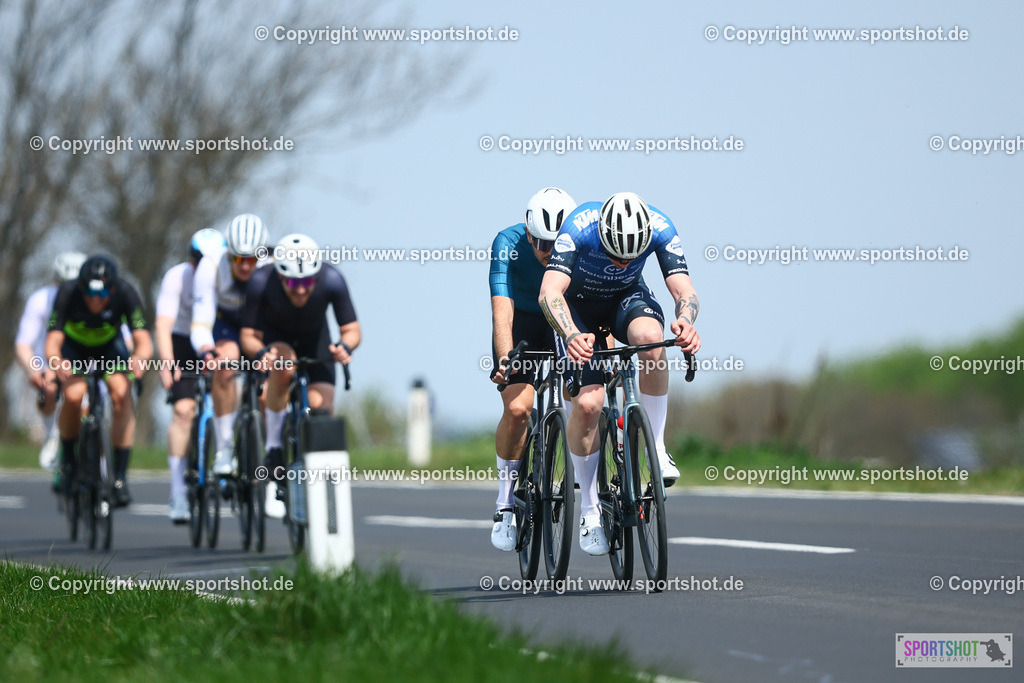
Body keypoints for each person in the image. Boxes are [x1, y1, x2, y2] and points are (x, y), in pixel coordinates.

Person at [538, 192, 701, 556]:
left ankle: (656, 448)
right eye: (613, 255)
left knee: (651, 338)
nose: (620, 262)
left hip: (626, 299)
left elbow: (684, 290)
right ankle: (591, 510)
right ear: (603, 232)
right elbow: (549, 292)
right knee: (590, 404)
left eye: (630, 258)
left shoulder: (661, 227)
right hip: (576, 308)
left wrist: (687, 323)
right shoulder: (578, 227)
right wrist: (570, 335)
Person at [240, 233, 359, 518]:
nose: (302, 290)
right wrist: (261, 353)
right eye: (294, 283)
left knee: (321, 409)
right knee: (285, 367)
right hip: (277, 341)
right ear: (281, 278)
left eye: (308, 282)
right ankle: (274, 450)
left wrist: (344, 347)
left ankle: (317, 485)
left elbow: (352, 329)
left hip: (316, 341)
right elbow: (248, 336)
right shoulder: (260, 281)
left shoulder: (331, 279)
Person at [487, 187, 577, 551]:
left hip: (562, 316)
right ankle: (505, 503)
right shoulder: (506, 243)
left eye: (554, 246)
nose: (546, 252)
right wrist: (506, 357)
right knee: (518, 408)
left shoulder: (578, 243)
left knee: (584, 390)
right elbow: (502, 310)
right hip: (522, 320)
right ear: (527, 232)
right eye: (539, 243)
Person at [44, 255, 152, 507]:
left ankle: (120, 478)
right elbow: (52, 342)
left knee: (122, 394)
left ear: (112, 288)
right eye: (90, 294)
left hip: (109, 347)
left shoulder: (126, 292)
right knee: (73, 395)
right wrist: (58, 363)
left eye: (102, 293)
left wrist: (139, 358)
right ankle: (69, 460)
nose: (96, 299)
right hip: (74, 349)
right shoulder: (68, 293)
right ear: (81, 287)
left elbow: (143, 340)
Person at [155, 228, 227, 524]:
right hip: (183, 341)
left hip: (217, 338)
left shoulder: (227, 277)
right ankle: (178, 490)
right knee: (183, 411)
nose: (204, 268)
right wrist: (168, 362)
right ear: (190, 260)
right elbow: (162, 325)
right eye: (198, 261)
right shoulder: (177, 277)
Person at [191, 214, 269, 476]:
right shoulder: (211, 266)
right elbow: (200, 322)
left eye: (252, 260)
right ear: (228, 253)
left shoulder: (272, 267)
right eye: (238, 259)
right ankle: (225, 447)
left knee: (269, 391)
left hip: (259, 326)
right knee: (225, 364)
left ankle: (269, 453)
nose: (245, 266)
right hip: (225, 326)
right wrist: (205, 350)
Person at [15, 252, 87, 472]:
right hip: (47, 361)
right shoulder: (40, 300)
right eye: (63, 284)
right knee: (47, 388)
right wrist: (33, 369)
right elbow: (24, 343)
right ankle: (51, 435)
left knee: (87, 407)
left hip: (84, 360)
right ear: (55, 280)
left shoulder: (95, 300)